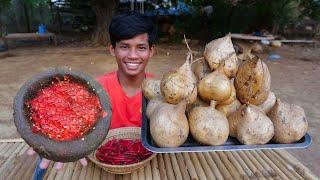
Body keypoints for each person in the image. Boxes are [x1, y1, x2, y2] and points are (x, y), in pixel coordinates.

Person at [29, 11, 157, 179]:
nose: (133, 55)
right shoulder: (95, 90)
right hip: (98, 168)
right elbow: (70, 119)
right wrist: (58, 142)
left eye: (141, 48)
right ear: (112, 49)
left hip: (147, 168)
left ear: (151, 51)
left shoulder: (160, 92)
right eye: (124, 47)